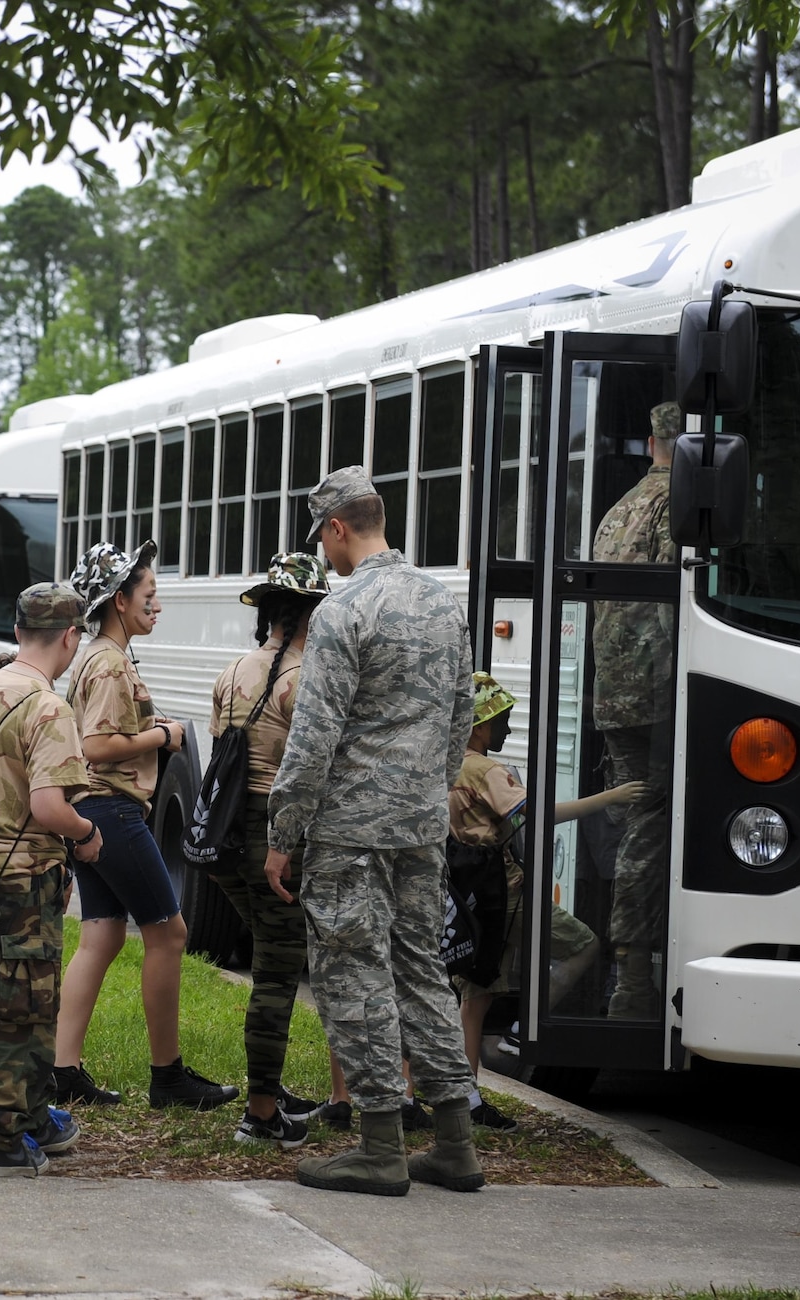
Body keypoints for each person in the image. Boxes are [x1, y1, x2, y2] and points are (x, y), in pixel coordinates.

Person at [267, 467, 483, 1197]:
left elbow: (313, 738)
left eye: (322, 540)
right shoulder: (441, 603)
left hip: (351, 831)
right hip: (420, 826)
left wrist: (283, 833)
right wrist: (426, 787)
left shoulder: (342, 611)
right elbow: (462, 716)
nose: (324, 555)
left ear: (336, 528)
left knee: (353, 973)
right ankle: (455, 1143)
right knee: (422, 969)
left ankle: (379, 1145)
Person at [54, 541, 237, 1112]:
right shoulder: (108, 660)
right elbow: (97, 745)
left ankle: (61, 1070)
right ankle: (168, 1076)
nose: (157, 607)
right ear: (118, 600)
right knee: (170, 932)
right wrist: (164, 735)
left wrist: (146, 724)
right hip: (112, 810)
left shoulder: (96, 654)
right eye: (150, 596)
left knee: (103, 934)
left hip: (93, 808)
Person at [449, 673, 644, 1129]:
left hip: (471, 896)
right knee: (584, 945)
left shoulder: (446, 764)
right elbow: (534, 817)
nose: (509, 731)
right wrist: (611, 797)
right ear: (482, 724)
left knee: (474, 1000)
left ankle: (467, 1098)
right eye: (504, 721)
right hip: (508, 894)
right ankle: (522, 1030)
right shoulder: (485, 770)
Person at [0, 583, 98, 1177]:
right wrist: (86, 834)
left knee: (14, 1000)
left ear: (16, 632)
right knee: (22, 1010)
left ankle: (32, 1114)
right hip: (26, 879)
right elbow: (48, 807)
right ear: (70, 637)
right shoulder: (49, 708)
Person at [207, 552, 335, 1149]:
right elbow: (309, 766)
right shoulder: (302, 677)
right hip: (275, 835)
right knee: (278, 976)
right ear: (312, 610)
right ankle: (261, 1112)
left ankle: (267, 1090)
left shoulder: (235, 669)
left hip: (228, 837)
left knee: (266, 961)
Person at [591, 401, 681, 1020]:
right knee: (651, 827)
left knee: (636, 822)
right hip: (658, 691)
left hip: (613, 691)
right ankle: (634, 979)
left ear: (651, 442)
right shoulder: (678, 505)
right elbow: (676, 600)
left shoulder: (618, 507)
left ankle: (632, 971)